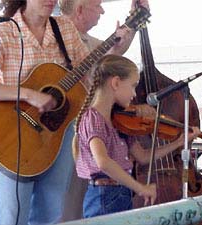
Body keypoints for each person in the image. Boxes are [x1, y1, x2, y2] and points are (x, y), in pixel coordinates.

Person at [0, 0, 90, 224]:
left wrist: (122, 39)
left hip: (57, 136)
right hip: (14, 139)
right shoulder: (4, 33)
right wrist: (29, 94)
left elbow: (89, 73)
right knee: (10, 218)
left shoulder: (64, 28)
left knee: (52, 216)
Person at [73, 54, 200, 218]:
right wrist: (139, 187)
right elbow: (103, 162)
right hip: (103, 194)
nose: (134, 94)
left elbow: (143, 156)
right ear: (116, 82)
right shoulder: (93, 118)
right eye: (133, 86)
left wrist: (179, 142)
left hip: (121, 192)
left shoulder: (119, 121)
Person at [58, 0, 149, 220]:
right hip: (60, 127)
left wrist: (133, 24)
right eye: (97, 5)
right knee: (62, 203)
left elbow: (114, 64)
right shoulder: (54, 34)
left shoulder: (93, 44)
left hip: (84, 129)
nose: (103, 10)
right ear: (80, 9)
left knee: (79, 199)